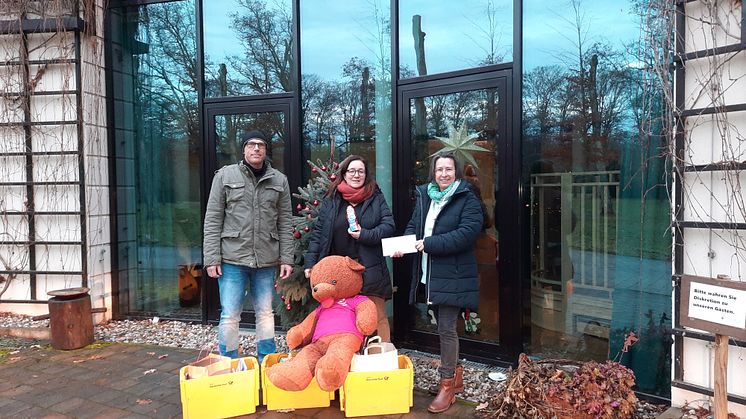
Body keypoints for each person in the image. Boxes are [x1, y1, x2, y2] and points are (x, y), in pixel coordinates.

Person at [393, 152, 483, 413]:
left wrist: (428, 244)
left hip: (453, 274)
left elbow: (466, 234)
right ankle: (454, 376)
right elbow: (414, 225)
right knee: (442, 328)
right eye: (439, 169)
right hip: (430, 274)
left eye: (449, 169)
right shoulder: (426, 196)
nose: (444, 174)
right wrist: (405, 245)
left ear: (456, 172)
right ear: (433, 172)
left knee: (446, 328)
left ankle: (447, 386)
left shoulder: (467, 198)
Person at [203, 130, 294, 363]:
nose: (256, 149)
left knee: (265, 314)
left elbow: (285, 222)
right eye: (251, 144)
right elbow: (213, 218)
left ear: (265, 151)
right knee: (230, 315)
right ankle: (229, 362)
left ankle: (266, 361)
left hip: (266, 260)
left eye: (261, 145)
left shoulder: (279, 180)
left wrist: (286, 258)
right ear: (243, 149)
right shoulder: (224, 176)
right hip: (232, 259)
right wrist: (212, 258)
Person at [304, 155, 396, 341]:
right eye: (352, 171)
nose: (356, 175)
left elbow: (389, 227)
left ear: (366, 175)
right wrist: (311, 263)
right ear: (344, 174)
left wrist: (364, 235)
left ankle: (383, 359)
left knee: (377, 317)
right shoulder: (332, 200)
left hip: (369, 268)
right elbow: (319, 234)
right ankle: (351, 359)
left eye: (360, 171)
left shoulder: (375, 197)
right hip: (338, 273)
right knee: (343, 319)